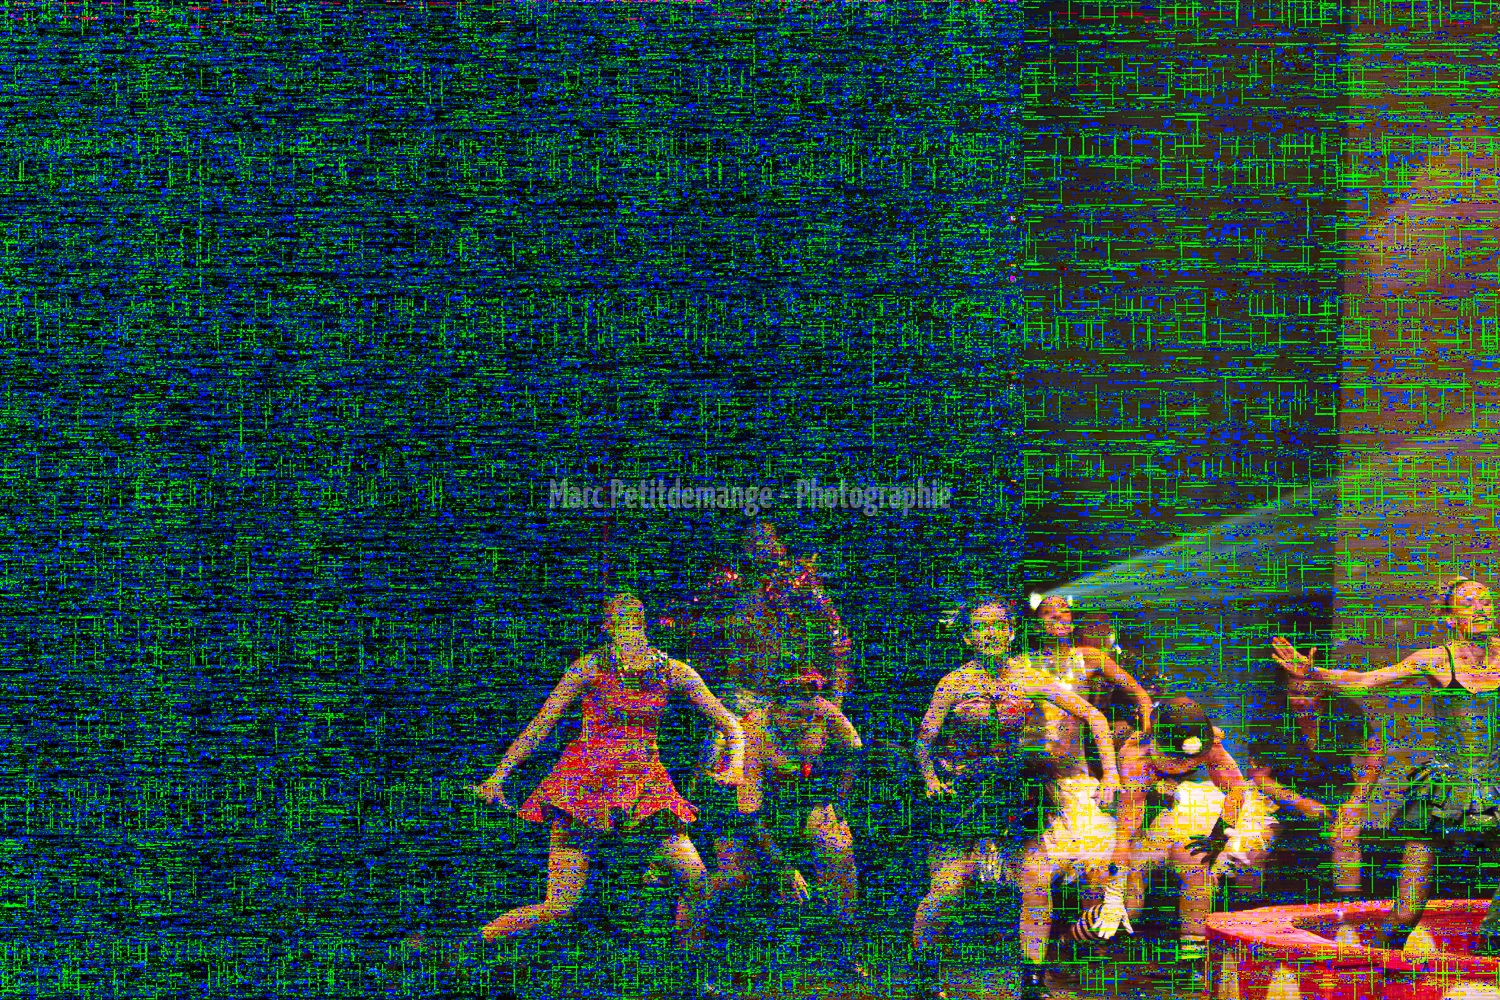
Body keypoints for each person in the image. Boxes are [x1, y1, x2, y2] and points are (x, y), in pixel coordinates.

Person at [470, 593, 746, 988]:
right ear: (608, 626)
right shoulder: (591, 667)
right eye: (620, 618)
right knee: (560, 906)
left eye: (634, 617)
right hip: (587, 787)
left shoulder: (672, 672)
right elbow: (541, 725)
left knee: (696, 881)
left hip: (644, 788)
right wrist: (499, 778)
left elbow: (730, 723)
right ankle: (472, 945)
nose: (628, 623)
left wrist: (734, 764)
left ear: (644, 622)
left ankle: (688, 978)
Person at [1273, 576, 1500, 957]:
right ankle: (1377, 966)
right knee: (1407, 908)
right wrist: (1314, 674)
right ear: (1450, 617)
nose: (1480, 609)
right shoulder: (1435, 659)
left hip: (1494, 784)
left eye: (1486, 601)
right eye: (1468, 602)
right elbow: (1366, 681)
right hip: (1446, 789)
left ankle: (1490, 949)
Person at [913, 594, 1121, 1000]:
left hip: (1016, 792)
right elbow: (925, 740)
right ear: (968, 636)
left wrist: (1110, 773)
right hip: (966, 797)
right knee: (949, 889)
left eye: (999, 625)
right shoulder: (954, 683)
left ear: (1010, 633)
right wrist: (931, 778)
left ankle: (1032, 981)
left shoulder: (1029, 678)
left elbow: (1094, 717)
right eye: (981, 626)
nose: (991, 633)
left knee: (1036, 879)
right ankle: (924, 970)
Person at [693, 623, 867, 995]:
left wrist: (839, 805)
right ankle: (702, 955)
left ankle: (845, 944)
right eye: (797, 713)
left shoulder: (822, 712)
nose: (807, 718)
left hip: (791, 800)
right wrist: (785, 867)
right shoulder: (754, 732)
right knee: (736, 875)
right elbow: (750, 812)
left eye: (812, 710)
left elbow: (854, 750)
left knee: (838, 848)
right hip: (734, 809)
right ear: (776, 705)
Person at [1014, 595, 1154, 994]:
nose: (1059, 615)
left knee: (1108, 870)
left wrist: (1142, 735)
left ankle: (1075, 947)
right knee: (1036, 876)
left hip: (1077, 776)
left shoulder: (1088, 657)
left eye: (1065, 610)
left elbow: (1139, 694)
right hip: (1034, 783)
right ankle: (1035, 970)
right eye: (1048, 611)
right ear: (1036, 623)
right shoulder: (1022, 666)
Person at [1081, 698, 1268, 972]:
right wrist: (1114, 892)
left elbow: (1236, 790)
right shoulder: (1136, 758)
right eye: (1178, 760)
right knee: (1121, 896)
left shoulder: (1208, 744)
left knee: (1196, 862)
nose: (1186, 765)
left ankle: (1193, 957)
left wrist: (1218, 836)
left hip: (1170, 810)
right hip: (1122, 818)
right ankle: (1083, 945)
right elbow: (1125, 832)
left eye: (1191, 760)